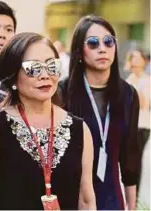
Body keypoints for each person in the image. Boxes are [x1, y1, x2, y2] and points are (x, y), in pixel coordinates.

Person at [0, 32, 96, 210]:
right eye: (34, 68)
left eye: (52, 66)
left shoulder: (79, 129)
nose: (45, 75)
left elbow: (86, 199)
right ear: (14, 75)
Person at [58, 15, 140, 210]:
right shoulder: (62, 92)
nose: (102, 48)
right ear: (79, 50)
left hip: (111, 197)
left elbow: (130, 155)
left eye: (108, 41)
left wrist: (131, 205)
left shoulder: (128, 94)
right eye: (93, 43)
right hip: (71, 197)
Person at [125, 49, 150, 192]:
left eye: (138, 58)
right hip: (129, 126)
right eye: (133, 59)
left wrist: (135, 87)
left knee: (136, 160)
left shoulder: (147, 81)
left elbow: (144, 104)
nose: (135, 61)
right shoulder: (128, 80)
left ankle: (135, 194)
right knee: (128, 160)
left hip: (143, 125)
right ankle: (129, 191)